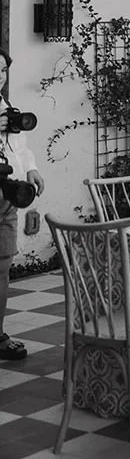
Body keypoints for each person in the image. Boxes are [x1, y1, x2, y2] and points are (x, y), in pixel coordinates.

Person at [0, 46, 45, 360]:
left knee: (2, 268)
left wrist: (31, 168)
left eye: (2, 70)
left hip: (7, 198)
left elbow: (18, 145)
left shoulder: (5, 105)